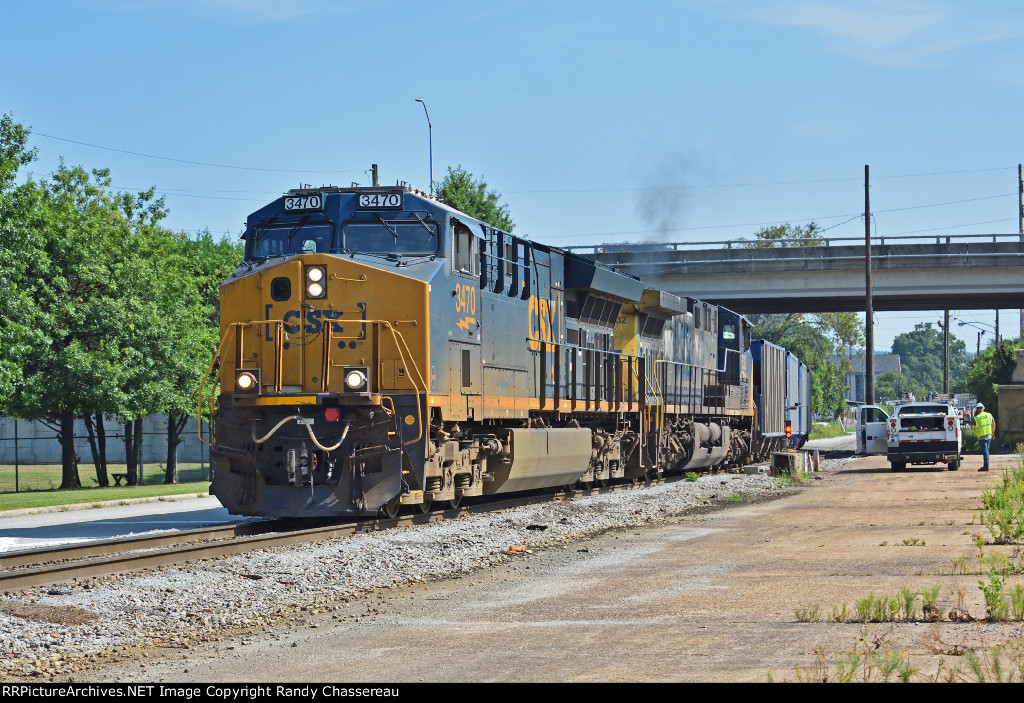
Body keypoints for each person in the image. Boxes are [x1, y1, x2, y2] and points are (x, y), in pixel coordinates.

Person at [973, 402, 995, 471]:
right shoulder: (989, 415)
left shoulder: (976, 417)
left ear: (976, 409)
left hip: (981, 436)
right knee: (987, 451)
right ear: (983, 409)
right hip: (988, 435)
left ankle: (986, 466)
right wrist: (993, 432)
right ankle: (986, 465)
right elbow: (993, 423)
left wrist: (974, 415)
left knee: (985, 451)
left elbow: (970, 424)